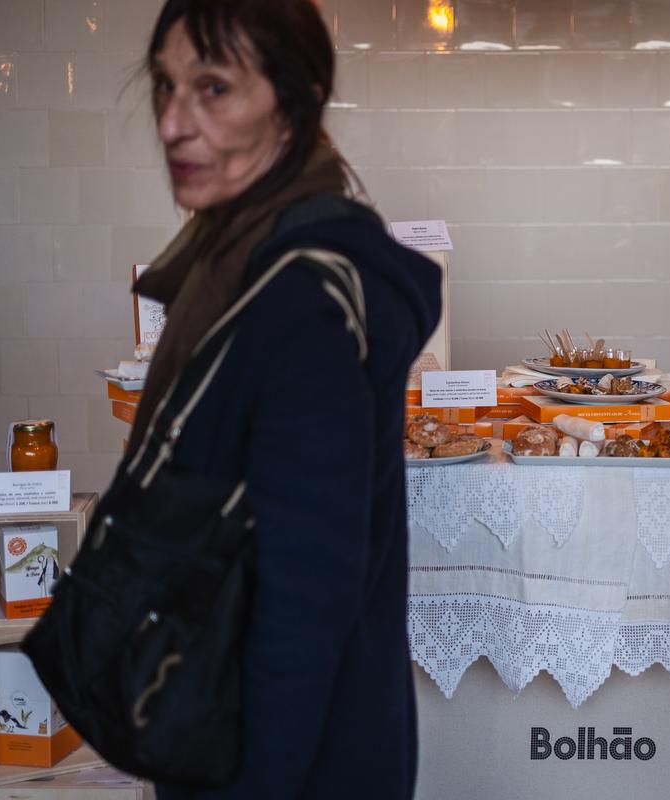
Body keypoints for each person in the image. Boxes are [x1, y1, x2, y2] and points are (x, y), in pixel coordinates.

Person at [133, 1, 440, 797]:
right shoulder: (238, 260)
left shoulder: (301, 300)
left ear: (297, 99)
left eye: (213, 88)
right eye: (165, 87)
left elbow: (301, 606)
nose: (172, 122)